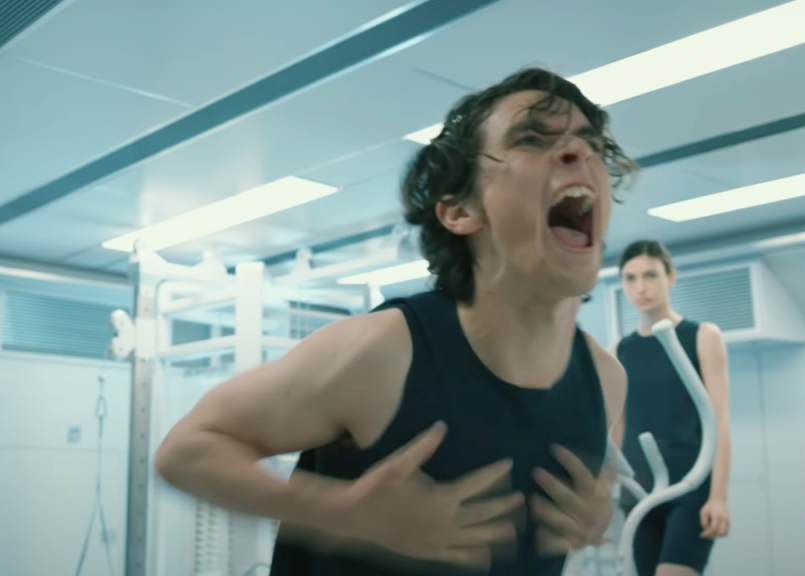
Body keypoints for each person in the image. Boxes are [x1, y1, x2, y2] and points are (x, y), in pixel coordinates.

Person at [154, 67, 641, 576]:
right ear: (459, 211)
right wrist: (341, 514)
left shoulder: (606, 380)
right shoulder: (385, 351)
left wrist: (595, 518)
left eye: (589, 142)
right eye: (532, 139)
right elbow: (187, 451)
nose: (578, 151)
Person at [611, 240, 733, 576]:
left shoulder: (702, 336)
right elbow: (617, 429)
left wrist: (718, 496)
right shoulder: (620, 349)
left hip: (690, 484)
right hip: (639, 489)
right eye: (631, 278)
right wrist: (605, 490)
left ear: (671, 277)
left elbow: (720, 420)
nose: (641, 287)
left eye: (650, 275)